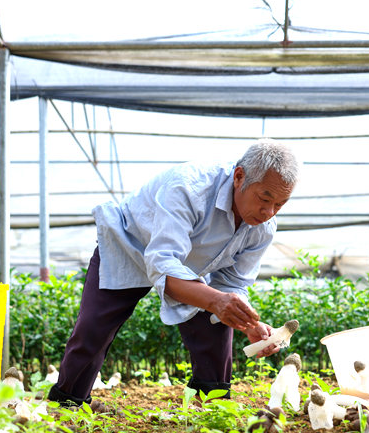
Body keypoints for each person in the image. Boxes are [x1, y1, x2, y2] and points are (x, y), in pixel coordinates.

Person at [48, 138, 300, 408]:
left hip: (192, 268)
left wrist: (248, 323)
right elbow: (163, 262)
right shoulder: (189, 188)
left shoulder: (263, 227)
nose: (269, 212)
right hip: (129, 245)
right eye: (264, 199)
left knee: (216, 325)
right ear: (239, 177)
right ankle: (67, 403)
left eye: (280, 205)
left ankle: (212, 408)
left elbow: (233, 283)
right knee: (95, 327)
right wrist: (215, 300)